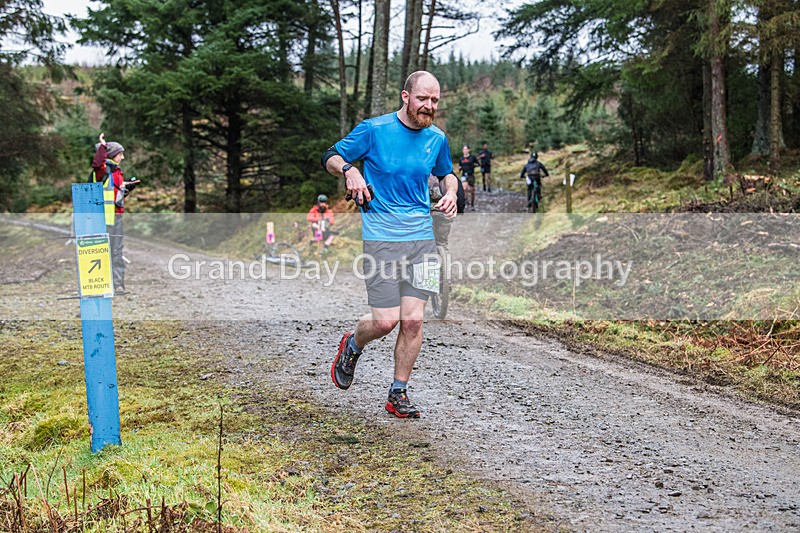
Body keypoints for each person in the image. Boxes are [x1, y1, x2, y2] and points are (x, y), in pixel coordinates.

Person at [321, 70, 459, 418]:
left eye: (435, 101)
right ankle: (352, 345)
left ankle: (398, 392)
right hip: (382, 240)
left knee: (413, 320)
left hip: (422, 241)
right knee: (385, 322)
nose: (429, 106)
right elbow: (330, 155)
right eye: (423, 99)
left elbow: (446, 173)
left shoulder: (437, 138)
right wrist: (350, 171)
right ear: (405, 96)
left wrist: (452, 192)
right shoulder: (374, 130)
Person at [91, 133, 139, 293]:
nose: (123, 157)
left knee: (117, 253)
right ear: (112, 155)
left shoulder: (117, 172)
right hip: (102, 219)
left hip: (116, 218)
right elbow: (97, 164)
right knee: (103, 252)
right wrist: (103, 146)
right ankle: (102, 285)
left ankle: (118, 286)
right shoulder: (104, 170)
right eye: (120, 154)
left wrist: (126, 188)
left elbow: (114, 196)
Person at [459, 144, 478, 210]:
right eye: (464, 149)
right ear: (462, 150)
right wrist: (460, 168)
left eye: (466, 149)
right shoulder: (461, 158)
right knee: (464, 189)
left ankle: (472, 204)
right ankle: (466, 202)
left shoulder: (472, 157)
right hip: (464, 175)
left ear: (468, 150)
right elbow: (460, 165)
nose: (465, 151)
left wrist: (474, 165)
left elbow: (478, 163)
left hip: (471, 175)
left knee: (472, 191)